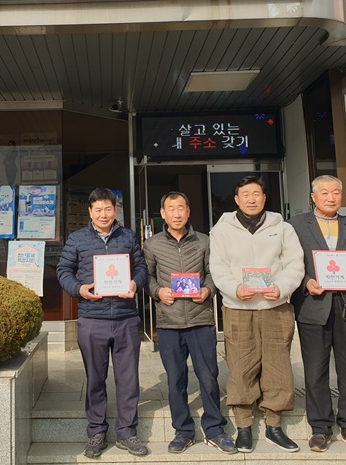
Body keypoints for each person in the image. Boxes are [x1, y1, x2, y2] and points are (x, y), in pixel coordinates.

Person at [208, 175, 304, 453]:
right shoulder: (222, 230)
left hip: (275, 306)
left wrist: (282, 287)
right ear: (236, 199)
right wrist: (234, 288)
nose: (251, 199)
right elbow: (218, 267)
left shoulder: (282, 227)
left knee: (278, 365)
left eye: (256, 194)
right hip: (238, 307)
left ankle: (274, 425)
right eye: (245, 195)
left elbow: (295, 264)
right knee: (240, 366)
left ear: (264, 198)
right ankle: (244, 426)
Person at [56, 187, 149, 459]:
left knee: (128, 379)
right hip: (92, 318)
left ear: (115, 209)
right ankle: (96, 431)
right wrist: (79, 289)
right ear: (90, 211)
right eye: (98, 209)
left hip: (125, 317)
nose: (103, 214)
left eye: (108, 209)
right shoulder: (77, 239)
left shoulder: (128, 236)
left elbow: (141, 268)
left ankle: (127, 432)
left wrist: (135, 283)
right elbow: (63, 270)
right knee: (95, 379)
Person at [144, 191, 237, 455]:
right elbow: (147, 277)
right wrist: (157, 292)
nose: (176, 214)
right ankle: (183, 431)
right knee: (175, 379)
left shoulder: (205, 241)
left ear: (188, 211)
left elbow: (213, 273)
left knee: (208, 376)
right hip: (169, 322)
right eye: (171, 209)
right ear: (163, 214)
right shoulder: (152, 244)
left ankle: (215, 429)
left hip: (201, 320)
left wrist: (207, 290)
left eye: (181, 208)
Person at [289, 175, 346, 453]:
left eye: (336, 192)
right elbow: (288, 263)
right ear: (313, 197)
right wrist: (304, 283)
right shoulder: (296, 226)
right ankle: (320, 428)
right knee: (315, 370)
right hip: (314, 305)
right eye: (324, 192)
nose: (331, 197)